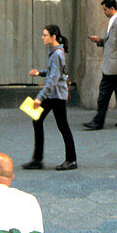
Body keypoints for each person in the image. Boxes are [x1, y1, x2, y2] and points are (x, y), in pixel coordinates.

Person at [23, 25, 77, 171]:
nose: (43, 37)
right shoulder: (54, 52)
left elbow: (53, 79)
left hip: (56, 95)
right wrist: (39, 73)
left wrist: (40, 97)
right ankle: (38, 159)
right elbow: (53, 72)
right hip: (54, 94)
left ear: (53, 37)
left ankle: (71, 160)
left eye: (45, 35)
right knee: (38, 121)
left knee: (62, 126)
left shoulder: (57, 54)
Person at [83, 0, 117, 130]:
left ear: (112, 8)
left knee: (104, 95)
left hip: (113, 67)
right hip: (114, 66)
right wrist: (100, 40)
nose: (104, 12)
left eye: (105, 9)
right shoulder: (113, 22)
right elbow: (112, 42)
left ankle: (98, 121)